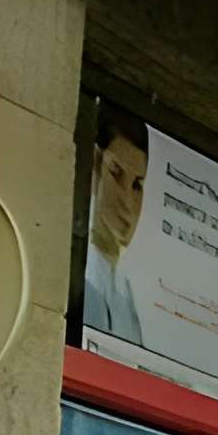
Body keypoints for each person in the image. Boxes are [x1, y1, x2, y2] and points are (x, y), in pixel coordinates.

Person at [79, 106, 150, 348]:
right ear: (95, 167)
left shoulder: (127, 299)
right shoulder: (78, 275)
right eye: (115, 173)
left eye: (137, 186)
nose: (127, 202)